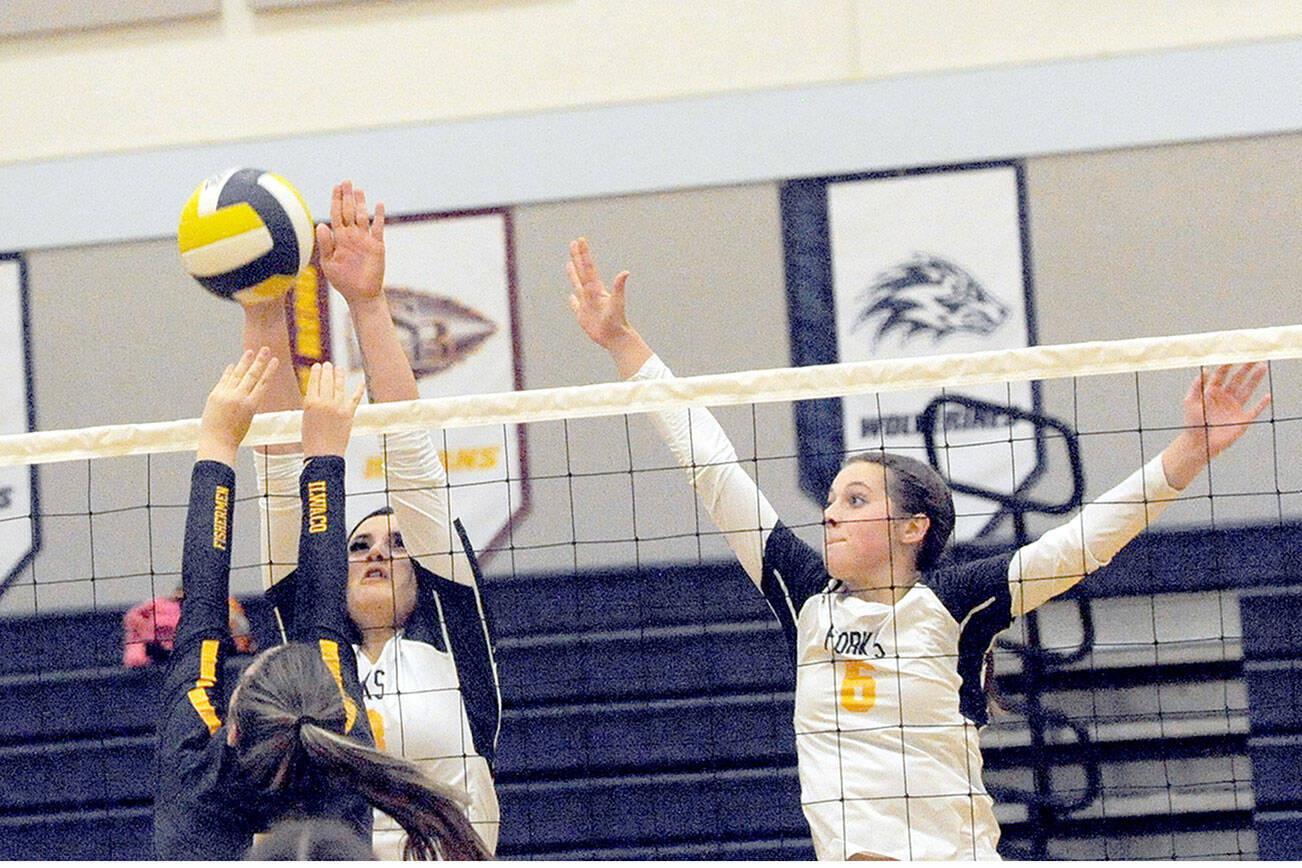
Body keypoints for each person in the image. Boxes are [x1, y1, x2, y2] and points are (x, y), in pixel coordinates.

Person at [565, 237, 1272, 861]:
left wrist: (1190, 449)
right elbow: (709, 464)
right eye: (834, 500)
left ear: (913, 529)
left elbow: (1083, 544)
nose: (831, 518)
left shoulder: (954, 605)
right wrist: (624, 343)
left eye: (856, 501)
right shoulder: (804, 595)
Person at [244, 181, 501, 858]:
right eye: (357, 544)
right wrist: (266, 310)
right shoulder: (308, 666)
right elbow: (277, 482)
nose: (378, 553)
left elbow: (413, 457)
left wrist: (367, 305)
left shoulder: (453, 651)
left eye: (396, 543)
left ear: (428, 573)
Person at [152, 349, 489, 861]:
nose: (376, 554)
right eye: (362, 546)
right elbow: (222, 615)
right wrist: (232, 448)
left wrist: (225, 444)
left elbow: (207, 613)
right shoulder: (343, 766)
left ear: (234, 728)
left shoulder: (201, 774)